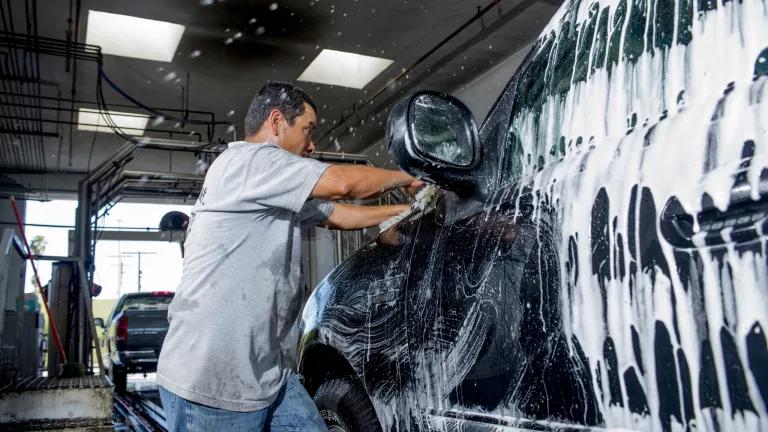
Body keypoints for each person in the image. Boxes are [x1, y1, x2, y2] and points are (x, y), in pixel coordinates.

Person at [156, 81, 422, 431]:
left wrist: (414, 210)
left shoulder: (272, 185)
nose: (312, 145)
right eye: (307, 130)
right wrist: (405, 176)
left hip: (266, 376)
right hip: (211, 380)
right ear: (277, 121)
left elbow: (337, 214)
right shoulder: (249, 161)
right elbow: (342, 183)